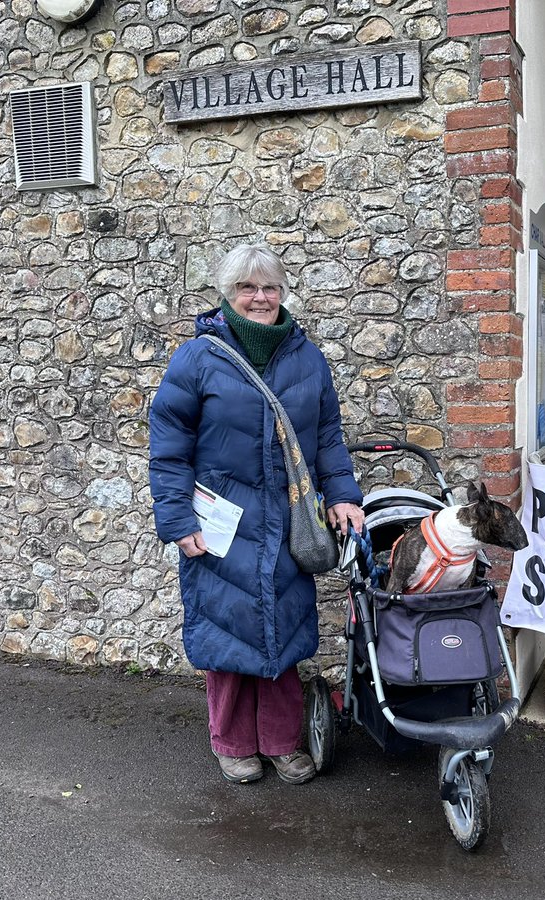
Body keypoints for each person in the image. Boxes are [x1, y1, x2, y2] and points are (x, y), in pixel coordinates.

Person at [149, 243, 364, 786]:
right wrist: (179, 520)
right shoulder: (197, 358)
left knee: (284, 631)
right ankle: (233, 743)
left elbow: (329, 438)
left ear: (283, 292)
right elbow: (169, 447)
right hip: (222, 522)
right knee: (225, 633)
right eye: (248, 288)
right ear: (229, 294)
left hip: (287, 518)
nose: (260, 297)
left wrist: (343, 495)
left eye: (269, 287)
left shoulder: (307, 357)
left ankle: (282, 742)